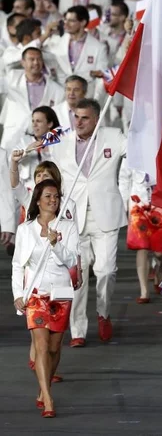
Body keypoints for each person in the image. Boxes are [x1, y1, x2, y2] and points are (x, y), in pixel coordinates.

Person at [51, 98, 127, 346]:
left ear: (97, 119)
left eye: (85, 118)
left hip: (105, 214)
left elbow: (138, 148)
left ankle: (103, 313)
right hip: (74, 218)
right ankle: (78, 330)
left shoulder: (114, 136)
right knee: (78, 276)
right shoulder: (61, 140)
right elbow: (52, 173)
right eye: (76, 117)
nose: (79, 122)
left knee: (106, 271)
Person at [12, 179, 80, 418]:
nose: (53, 200)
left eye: (56, 197)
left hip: (61, 293)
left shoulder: (68, 227)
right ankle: (48, 397)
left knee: (54, 347)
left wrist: (56, 244)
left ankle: (44, 388)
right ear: (38, 201)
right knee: (40, 346)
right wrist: (18, 295)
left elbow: (72, 260)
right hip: (36, 294)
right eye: (48, 196)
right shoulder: (25, 229)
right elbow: (18, 265)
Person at [119, 157, 162, 302]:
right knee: (142, 247)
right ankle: (144, 290)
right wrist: (122, 205)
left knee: (159, 251)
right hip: (138, 202)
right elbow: (124, 179)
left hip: (160, 202)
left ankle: (159, 269)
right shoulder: (131, 149)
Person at [0, 47, 64, 152]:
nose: (36, 62)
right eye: (31, 59)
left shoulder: (56, 90)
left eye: (39, 59)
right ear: (23, 62)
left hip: (41, 141)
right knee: (6, 165)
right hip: (13, 133)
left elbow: (59, 121)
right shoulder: (12, 78)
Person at [12, 106, 60, 191]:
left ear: (50, 124)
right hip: (30, 189)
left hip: (54, 189)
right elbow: (12, 159)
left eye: (38, 121)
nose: (34, 125)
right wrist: (28, 149)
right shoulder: (25, 141)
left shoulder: (61, 143)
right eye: (33, 121)